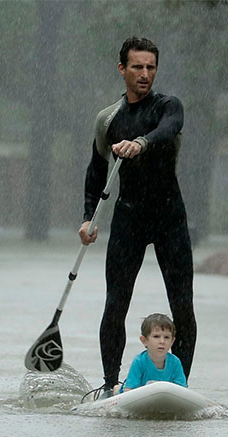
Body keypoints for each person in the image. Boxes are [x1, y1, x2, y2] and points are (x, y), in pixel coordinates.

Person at [79, 36, 197, 399]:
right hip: (129, 219)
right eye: (137, 67)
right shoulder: (108, 119)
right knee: (115, 303)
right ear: (122, 69)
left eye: (151, 67)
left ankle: (178, 386)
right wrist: (88, 218)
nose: (145, 74)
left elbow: (168, 129)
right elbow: (96, 171)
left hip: (169, 218)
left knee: (182, 305)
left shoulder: (168, 107)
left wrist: (141, 143)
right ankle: (111, 384)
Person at [113, 313, 187, 394]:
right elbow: (128, 391)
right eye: (156, 336)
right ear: (144, 340)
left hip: (164, 397)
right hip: (139, 393)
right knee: (121, 389)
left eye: (166, 337)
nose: (162, 341)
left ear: (172, 341)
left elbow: (182, 389)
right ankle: (117, 388)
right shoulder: (139, 362)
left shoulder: (175, 362)